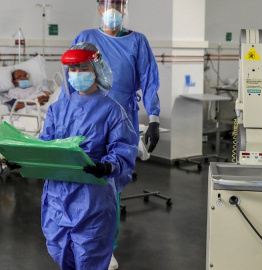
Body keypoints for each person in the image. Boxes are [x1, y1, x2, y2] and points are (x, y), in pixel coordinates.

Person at [60, 1, 161, 268]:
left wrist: (153, 118)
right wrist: (63, 116)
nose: (112, 9)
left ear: (125, 7)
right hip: (85, 118)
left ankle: (106, 248)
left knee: (109, 184)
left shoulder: (137, 41)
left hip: (120, 119)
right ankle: (77, 239)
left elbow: (149, 80)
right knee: (77, 181)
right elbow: (69, 80)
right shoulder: (86, 39)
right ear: (98, 8)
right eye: (107, 3)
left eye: (118, 3)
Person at [39, 42, 137, 269]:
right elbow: (45, 146)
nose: (76, 74)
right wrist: (20, 159)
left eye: (83, 68)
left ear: (96, 70)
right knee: (60, 250)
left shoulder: (112, 110)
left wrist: (107, 167)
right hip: (57, 195)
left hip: (92, 196)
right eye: (72, 70)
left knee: (90, 254)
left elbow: (123, 149)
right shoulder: (57, 109)